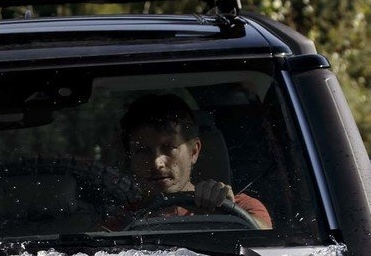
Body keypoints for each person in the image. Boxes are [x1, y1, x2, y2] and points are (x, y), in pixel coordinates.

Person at [107, 94, 272, 229]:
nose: (157, 163)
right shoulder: (120, 224)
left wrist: (226, 215)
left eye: (168, 148)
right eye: (143, 151)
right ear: (130, 157)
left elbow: (265, 241)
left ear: (194, 151)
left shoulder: (240, 206)